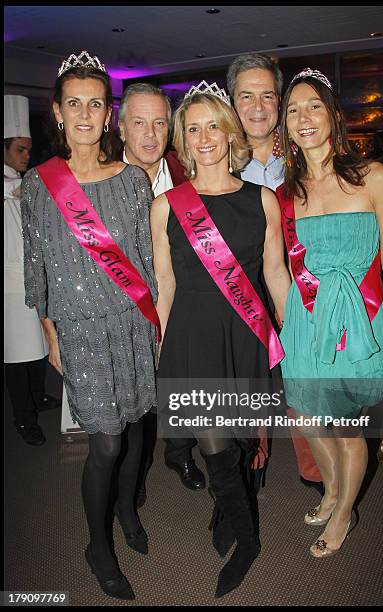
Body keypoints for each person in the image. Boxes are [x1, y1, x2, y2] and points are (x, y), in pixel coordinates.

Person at [21, 51, 159, 600]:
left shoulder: (131, 182)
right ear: (57, 112)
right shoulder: (38, 185)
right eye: (73, 103)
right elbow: (37, 267)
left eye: (95, 103)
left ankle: (127, 508)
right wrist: (50, 334)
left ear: (108, 115)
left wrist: (156, 326)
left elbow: (147, 259)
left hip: (130, 321)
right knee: (104, 443)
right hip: (79, 330)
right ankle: (96, 545)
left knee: (135, 427)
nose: (84, 113)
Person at [150, 82, 291, 597]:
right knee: (214, 443)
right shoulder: (167, 206)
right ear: (183, 141)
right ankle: (247, 537)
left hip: (246, 333)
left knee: (239, 437)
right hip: (193, 338)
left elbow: (275, 275)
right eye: (193, 128)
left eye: (213, 125)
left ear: (229, 133)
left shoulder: (263, 200)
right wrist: (165, 351)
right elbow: (164, 285)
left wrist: (291, 334)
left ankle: (227, 510)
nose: (204, 137)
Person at [276, 67, 383, 558]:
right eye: (292, 110)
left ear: (333, 115)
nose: (303, 117)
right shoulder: (285, 195)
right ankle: (330, 491)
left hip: (359, 320)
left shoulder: (376, 177)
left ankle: (345, 512)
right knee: (311, 419)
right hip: (307, 320)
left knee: (347, 427)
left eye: (312, 106)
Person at [227, 53, 323, 490]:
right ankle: (253, 459)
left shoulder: (306, 155)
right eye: (247, 96)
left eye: (268, 95)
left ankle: (315, 468)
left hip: (303, 285)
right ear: (232, 102)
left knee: (304, 379)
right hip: (238, 290)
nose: (259, 106)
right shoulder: (216, 158)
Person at [118, 83, 205, 500]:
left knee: (180, 381)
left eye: (159, 122)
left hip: (181, 302)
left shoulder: (190, 174)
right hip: (122, 309)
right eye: (139, 123)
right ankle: (130, 473)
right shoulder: (97, 181)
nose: (151, 134)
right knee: (132, 401)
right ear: (120, 129)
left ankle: (180, 450)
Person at [4, 94, 60, 446]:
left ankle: (38, 398)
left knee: (40, 346)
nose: (26, 156)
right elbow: (21, 190)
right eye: (19, 150)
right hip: (7, 284)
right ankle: (24, 419)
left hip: (32, 275)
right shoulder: (12, 183)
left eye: (28, 150)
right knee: (15, 356)